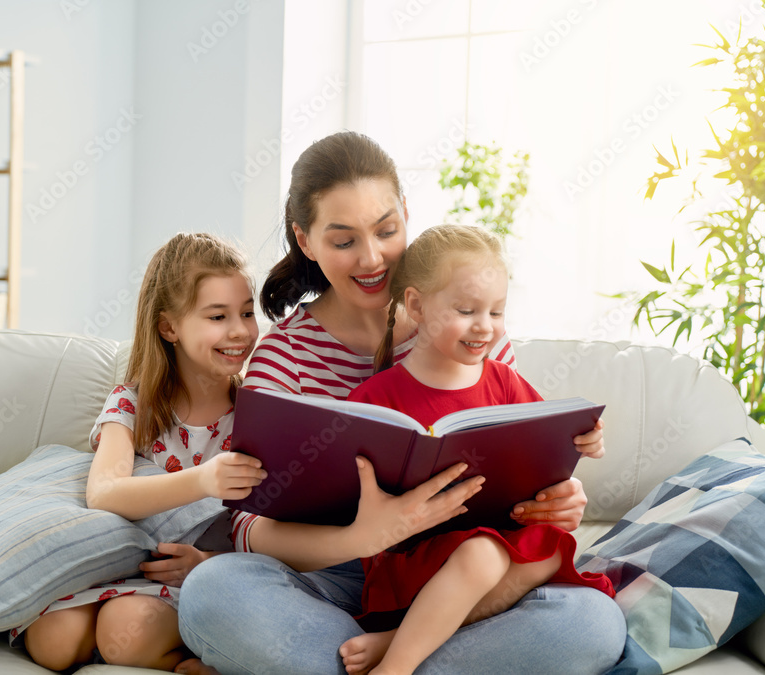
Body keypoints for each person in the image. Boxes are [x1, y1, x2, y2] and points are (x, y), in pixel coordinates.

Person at [176, 131, 626, 674]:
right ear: (305, 239)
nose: (372, 258)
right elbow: (248, 523)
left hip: (473, 576)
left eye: (386, 230)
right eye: (343, 241)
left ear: (406, 215)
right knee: (212, 591)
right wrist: (367, 535)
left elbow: (523, 446)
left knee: (592, 624)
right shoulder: (284, 356)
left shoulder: (467, 326)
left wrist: (561, 496)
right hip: (343, 578)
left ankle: (390, 659)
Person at [339, 224, 615, 674]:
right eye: (467, 310)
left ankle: (399, 640)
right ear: (416, 305)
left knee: (544, 547)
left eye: (496, 312)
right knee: (481, 555)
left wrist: (586, 441)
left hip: (498, 546)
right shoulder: (375, 397)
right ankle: (398, 667)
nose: (484, 327)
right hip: (413, 557)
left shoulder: (505, 380)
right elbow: (347, 495)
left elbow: (548, 449)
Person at [19, 232, 267, 673]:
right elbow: (105, 492)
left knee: (124, 630)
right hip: (110, 567)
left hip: (192, 580)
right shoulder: (132, 405)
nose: (240, 331)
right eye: (217, 316)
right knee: (53, 642)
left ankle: (191, 660)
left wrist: (206, 564)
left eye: (247, 313)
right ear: (168, 326)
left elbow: (269, 529)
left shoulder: (257, 412)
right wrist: (203, 480)